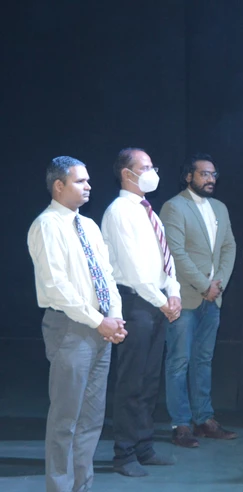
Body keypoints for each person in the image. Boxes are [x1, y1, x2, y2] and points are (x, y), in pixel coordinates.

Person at [28, 156, 127, 491]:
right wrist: (100, 321)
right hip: (70, 329)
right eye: (80, 181)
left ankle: (81, 486)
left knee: (91, 419)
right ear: (59, 186)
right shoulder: (47, 225)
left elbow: (107, 276)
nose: (88, 186)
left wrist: (114, 317)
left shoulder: (89, 226)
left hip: (100, 328)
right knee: (65, 420)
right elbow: (57, 286)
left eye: (88, 180)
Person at [102, 148, 182, 477]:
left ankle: (144, 446)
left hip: (157, 303)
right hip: (136, 304)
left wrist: (173, 293)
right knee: (131, 381)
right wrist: (162, 301)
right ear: (127, 173)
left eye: (152, 166)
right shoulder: (119, 211)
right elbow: (134, 270)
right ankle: (124, 453)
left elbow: (166, 258)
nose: (152, 173)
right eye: (145, 167)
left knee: (149, 380)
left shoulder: (148, 211)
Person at [160, 153, 237, 448]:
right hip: (186, 298)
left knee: (203, 360)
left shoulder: (220, 207)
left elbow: (229, 247)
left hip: (212, 298)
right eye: (204, 174)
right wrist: (204, 285)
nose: (210, 179)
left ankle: (204, 419)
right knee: (179, 361)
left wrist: (218, 285)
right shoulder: (174, 207)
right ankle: (181, 424)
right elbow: (175, 253)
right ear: (188, 177)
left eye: (213, 174)